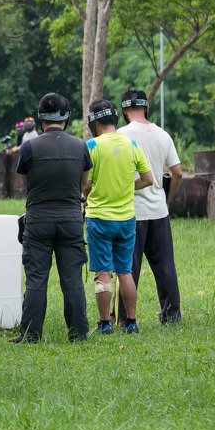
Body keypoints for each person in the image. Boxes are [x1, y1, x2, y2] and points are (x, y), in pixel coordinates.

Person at [12, 93, 92, 343]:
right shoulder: (81, 146)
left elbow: (25, 182)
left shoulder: (29, 147)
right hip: (70, 220)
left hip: (38, 222)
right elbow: (85, 184)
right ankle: (78, 334)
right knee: (72, 280)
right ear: (66, 119)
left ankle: (30, 335)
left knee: (36, 280)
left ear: (39, 120)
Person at [83, 100, 153, 334]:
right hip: (126, 219)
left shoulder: (91, 146)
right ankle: (131, 322)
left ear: (94, 121)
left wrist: (87, 194)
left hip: (99, 219)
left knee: (103, 274)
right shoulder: (131, 144)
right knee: (125, 272)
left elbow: (86, 185)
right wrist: (126, 187)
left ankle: (104, 324)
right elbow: (148, 178)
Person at [118, 89, 183, 324]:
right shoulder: (163, 135)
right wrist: (167, 199)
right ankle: (171, 314)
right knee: (165, 267)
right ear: (146, 108)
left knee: (128, 269)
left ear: (125, 111)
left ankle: (125, 317)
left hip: (130, 213)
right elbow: (177, 172)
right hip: (158, 211)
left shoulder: (120, 135)